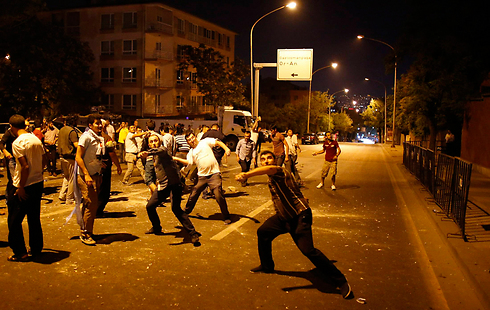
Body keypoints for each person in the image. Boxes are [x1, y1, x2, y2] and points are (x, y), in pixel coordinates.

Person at [235, 150, 353, 299]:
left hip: (299, 217)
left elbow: (269, 169)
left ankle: (341, 281)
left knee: (308, 250)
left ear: (275, 160)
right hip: (284, 217)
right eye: (263, 159)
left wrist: (246, 174)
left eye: (269, 158)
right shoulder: (272, 178)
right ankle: (267, 266)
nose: (266, 161)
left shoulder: (279, 171)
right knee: (263, 232)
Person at [138, 134, 201, 244]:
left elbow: (159, 151)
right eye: (151, 142)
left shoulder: (163, 150)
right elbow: (149, 174)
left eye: (155, 141)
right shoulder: (151, 157)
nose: (154, 143)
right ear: (148, 144)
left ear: (159, 142)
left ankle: (193, 233)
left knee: (176, 209)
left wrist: (148, 152)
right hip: (163, 185)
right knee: (150, 206)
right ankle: (157, 228)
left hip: (174, 184)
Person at [7, 114, 45, 261]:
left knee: (14, 220)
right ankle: (36, 249)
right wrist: (38, 172)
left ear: (12, 127)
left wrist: (20, 187)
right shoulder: (35, 139)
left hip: (24, 184)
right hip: (37, 182)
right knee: (34, 218)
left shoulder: (17, 143)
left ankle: (20, 251)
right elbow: (44, 159)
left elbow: (24, 166)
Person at [173, 132, 232, 225]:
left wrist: (226, 149)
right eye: (189, 140)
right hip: (202, 177)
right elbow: (188, 162)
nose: (192, 140)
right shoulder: (191, 152)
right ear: (188, 142)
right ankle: (186, 212)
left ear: (195, 137)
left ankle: (226, 216)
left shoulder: (204, 142)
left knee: (218, 195)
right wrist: (176, 159)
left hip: (214, 174)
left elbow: (217, 142)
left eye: (192, 138)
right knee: (193, 194)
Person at [75, 113, 104, 245]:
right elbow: (78, 157)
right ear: (90, 125)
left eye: (100, 123)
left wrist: (100, 164)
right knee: (91, 204)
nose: (100, 125)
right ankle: (86, 233)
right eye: (97, 123)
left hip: (96, 174)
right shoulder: (85, 137)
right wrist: (86, 174)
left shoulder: (98, 137)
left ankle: (86, 229)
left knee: (91, 204)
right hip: (86, 176)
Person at [97, 119, 122, 217]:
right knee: (104, 191)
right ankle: (98, 211)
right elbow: (112, 154)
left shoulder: (88, 137)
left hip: (92, 167)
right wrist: (118, 166)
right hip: (104, 167)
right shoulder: (106, 138)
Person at [57, 115, 80, 205]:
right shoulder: (72, 131)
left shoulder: (62, 130)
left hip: (61, 156)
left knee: (66, 177)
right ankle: (69, 198)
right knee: (72, 178)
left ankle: (62, 195)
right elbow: (76, 145)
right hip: (70, 157)